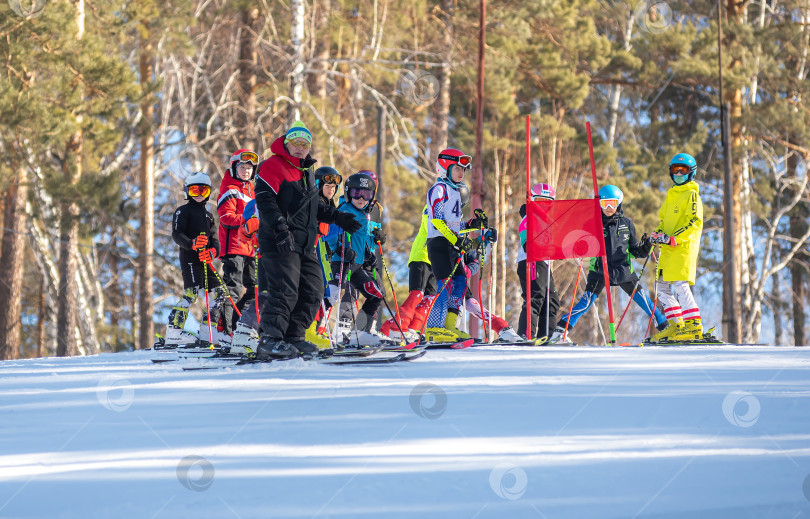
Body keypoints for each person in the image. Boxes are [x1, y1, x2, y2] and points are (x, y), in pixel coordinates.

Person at [254, 121, 361, 359]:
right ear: (287, 143)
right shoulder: (273, 165)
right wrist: (281, 230)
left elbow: (312, 210)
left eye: (306, 144)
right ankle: (270, 339)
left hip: (304, 243)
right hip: (279, 240)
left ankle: (294, 337)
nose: (301, 148)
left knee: (313, 289)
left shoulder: (307, 172)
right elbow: (266, 201)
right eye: (296, 143)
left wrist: (338, 217)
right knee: (285, 290)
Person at [381, 182, 523, 343]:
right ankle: (395, 329)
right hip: (424, 256)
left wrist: (477, 232)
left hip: (448, 261)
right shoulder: (433, 207)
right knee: (418, 296)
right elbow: (439, 227)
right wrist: (467, 228)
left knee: (432, 299)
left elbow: (464, 244)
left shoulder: (455, 218)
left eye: (460, 205)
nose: (457, 209)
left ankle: (415, 330)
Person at [547, 185, 667, 344]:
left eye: (612, 203)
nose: (609, 208)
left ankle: (665, 328)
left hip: (623, 270)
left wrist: (646, 247)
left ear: (619, 203)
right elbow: (583, 245)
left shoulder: (626, 224)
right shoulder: (592, 223)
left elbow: (636, 251)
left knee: (644, 301)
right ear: (599, 205)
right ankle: (560, 331)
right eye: (604, 204)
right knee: (586, 302)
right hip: (600, 270)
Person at [423, 148, 488, 343]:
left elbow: (454, 223)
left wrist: (470, 226)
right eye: (457, 168)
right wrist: (456, 240)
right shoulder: (439, 189)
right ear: (445, 167)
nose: (461, 173)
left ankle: (450, 326)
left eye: (464, 170)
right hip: (440, 243)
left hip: (452, 244)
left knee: (460, 284)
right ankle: (434, 328)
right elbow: (436, 219)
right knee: (445, 286)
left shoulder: (455, 192)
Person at [324, 171, 390, 346]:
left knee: (376, 295)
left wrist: (376, 241)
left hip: (358, 265)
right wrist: (339, 248)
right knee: (335, 294)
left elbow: (367, 240)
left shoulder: (367, 215)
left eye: (366, 194)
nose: (361, 198)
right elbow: (329, 234)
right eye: (356, 193)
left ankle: (359, 333)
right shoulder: (344, 211)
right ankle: (313, 328)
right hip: (342, 262)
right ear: (348, 192)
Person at [163, 172, 228, 346]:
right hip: (190, 257)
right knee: (191, 292)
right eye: (194, 190)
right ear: (187, 192)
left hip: (205, 259)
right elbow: (177, 234)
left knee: (221, 292)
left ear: (209, 192)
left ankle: (208, 330)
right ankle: (174, 331)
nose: (199, 194)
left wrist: (213, 252)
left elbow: (216, 240)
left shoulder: (208, 215)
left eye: (203, 190)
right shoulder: (182, 211)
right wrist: (192, 243)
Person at [649, 153, 705, 342]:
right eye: (675, 170)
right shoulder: (671, 196)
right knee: (661, 287)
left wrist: (675, 238)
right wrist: (657, 234)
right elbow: (664, 221)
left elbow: (694, 222)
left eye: (683, 171)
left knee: (680, 285)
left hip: (682, 248)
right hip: (667, 250)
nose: (679, 173)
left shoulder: (692, 195)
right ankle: (676, 324)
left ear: (691, 173)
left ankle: (694, 324)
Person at [216, 149, 258, 338]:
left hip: (250, 247)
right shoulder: (229, 188)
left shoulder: (253, 190)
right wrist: (248, 221)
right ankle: (224, 330)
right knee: (233, 287)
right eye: (242, 167)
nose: (246, 171)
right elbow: (226, 218)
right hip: (233, 246)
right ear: (234, 167)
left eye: (249, 168)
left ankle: (237, 323)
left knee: (256, 289)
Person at [516, 183, 560, 341]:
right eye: (540, 200)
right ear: (533, 201)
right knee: (536, 296)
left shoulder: (548, 222)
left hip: (544, 263)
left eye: (547, 202)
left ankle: (546, 335)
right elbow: (528, 245)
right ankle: (525, 334)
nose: (543, 205)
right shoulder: (530, 218)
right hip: (531, 261)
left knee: (552, 300)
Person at [307, 166, 343, 349]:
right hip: (313, 253)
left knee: (329, 293)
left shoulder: (330, 206)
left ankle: (317, 329)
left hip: (326, 256)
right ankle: (308, 331)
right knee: (317, 291)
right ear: (319, 184)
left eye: (334, 186)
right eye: (327, 185)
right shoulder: (314, 203)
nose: (331, 189)